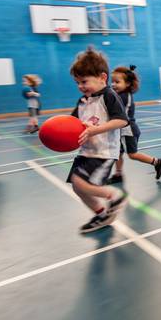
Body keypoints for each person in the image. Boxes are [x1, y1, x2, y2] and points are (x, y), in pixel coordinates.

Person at [67, 48, 129, 233]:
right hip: (86, 151)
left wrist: (96, 130)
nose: (80, 86)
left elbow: (122, 120)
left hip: (103, 151)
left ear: (102, 77)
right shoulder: (83, 101)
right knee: (78, 187)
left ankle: (115, 195)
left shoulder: (109, 96)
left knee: (80, 183)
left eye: (84, 81)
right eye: (77, 82)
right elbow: (72, 123)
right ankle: (102, 214)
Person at [106, 65, 161, 184]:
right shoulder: (119, 95)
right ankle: (118, 174)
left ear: (127, 84)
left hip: (129, 130)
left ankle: (157, 162)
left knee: (132, 154)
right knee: (117, 152)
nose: (113, 84)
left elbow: (117, 114)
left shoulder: (124, 97)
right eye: (112, 82)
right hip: (120, 130)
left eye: (117, 82)